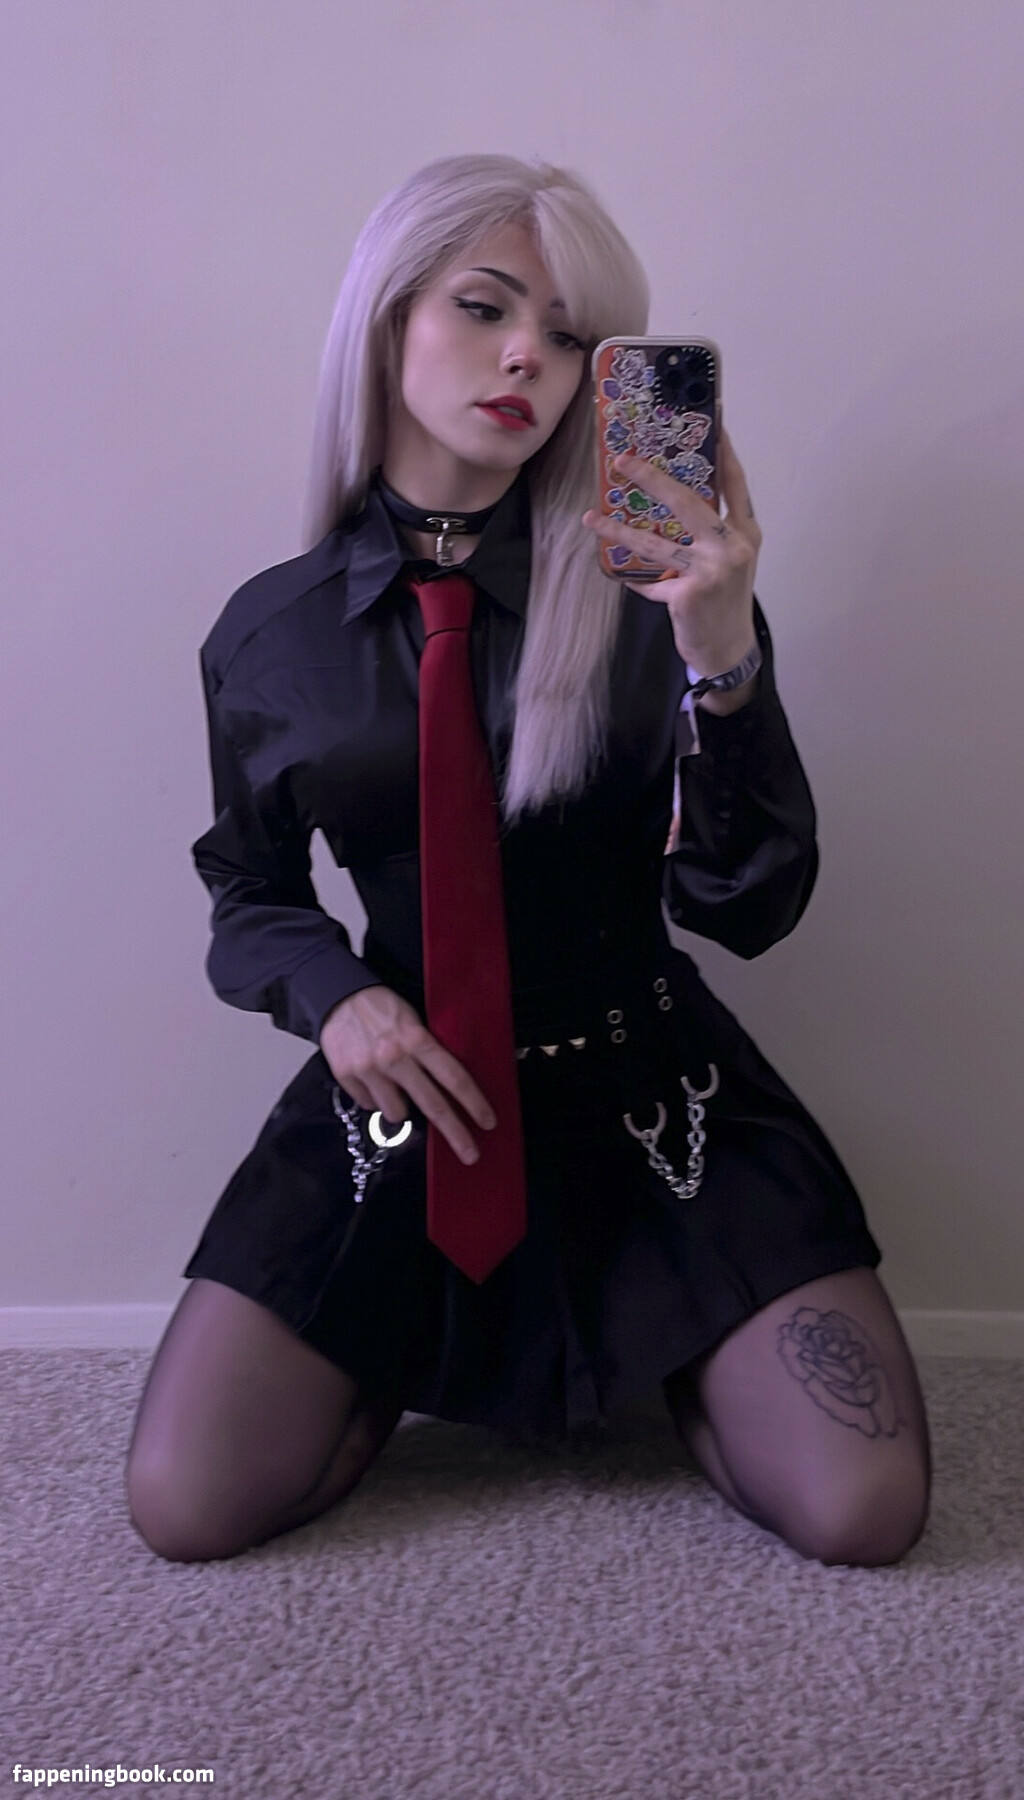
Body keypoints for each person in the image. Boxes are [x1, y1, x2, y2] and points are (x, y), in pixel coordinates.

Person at [125, 153, 932, 1568]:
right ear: (388, 317)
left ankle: (665, 1337)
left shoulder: (655, 597)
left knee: (861, 1512)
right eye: (486, 307)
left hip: (655, 1101)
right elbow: (248, 891)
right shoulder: (273, 635)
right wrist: (337, 999)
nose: (527, 360)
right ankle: (419, 1336)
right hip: (409, 1103)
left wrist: (722, 653)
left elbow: (749, 904)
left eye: (569, 338)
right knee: (185, 1508)